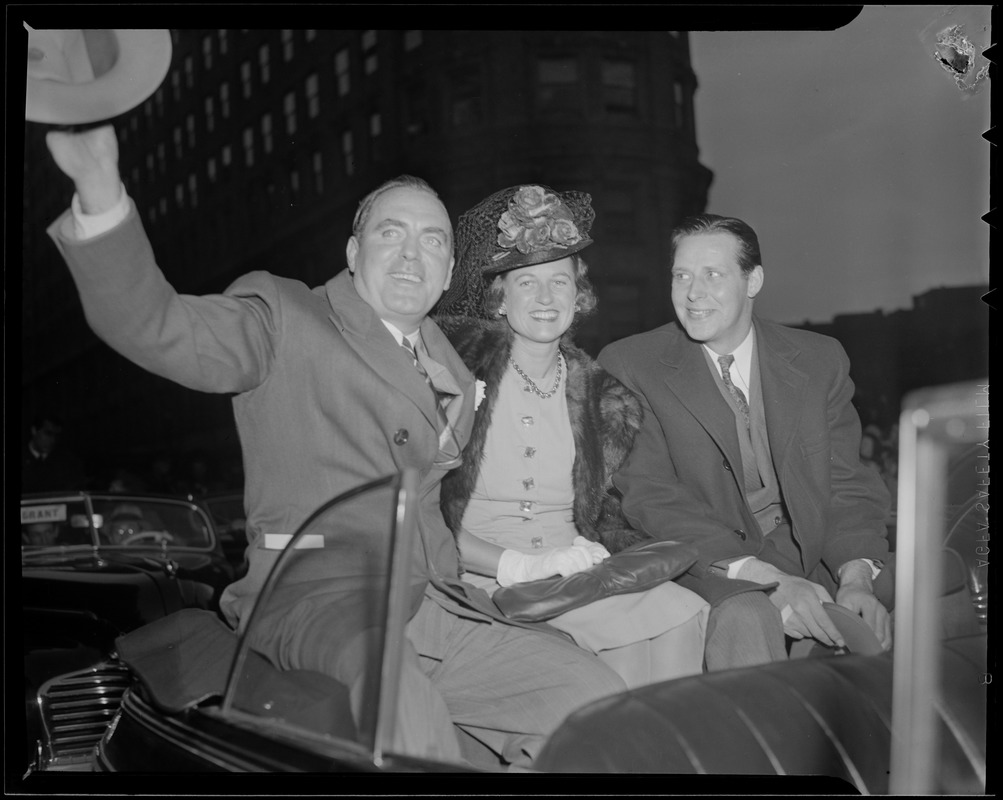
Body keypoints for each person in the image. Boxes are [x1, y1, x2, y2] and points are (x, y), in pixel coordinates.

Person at [43, 124, 625, 769]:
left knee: (592, 699)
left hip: (434, 603)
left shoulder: (454, 368)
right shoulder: (285, 316)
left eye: (432, 239)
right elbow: (155, 325)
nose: (411, 254)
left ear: (450, 269)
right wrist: (100, 191)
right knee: (402, 711)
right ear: (352, 252)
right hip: (319, 596)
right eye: (390, 233)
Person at [434, 185, 710, 686]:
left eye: (559, 282)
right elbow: (425, 514)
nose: (545, 299)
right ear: (499, 298)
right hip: (484, 576)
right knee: (625, 658)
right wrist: (518, 564)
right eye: (526, 283)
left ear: (577, 295)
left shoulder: (603, 399)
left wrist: (596, 552)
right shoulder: (454, 377)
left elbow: (607, 512)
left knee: (684, 609)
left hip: (574, 578)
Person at [598, 213, 894, 656]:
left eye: (712, 275)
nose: (693, 294)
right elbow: (652, 497)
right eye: (681, 276)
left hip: (806, 547)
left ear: (753, 281)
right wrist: (767, 580)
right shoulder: (630, 363)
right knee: (749, 617)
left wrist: (856, 578)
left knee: (900, 600)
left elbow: (846, 484)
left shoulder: (818, 360)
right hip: (707, 557)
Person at [21, 411, 84, 493]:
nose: (52, 440)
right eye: (48, 434)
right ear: (34, 430)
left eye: (56, 435)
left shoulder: (67, 462)